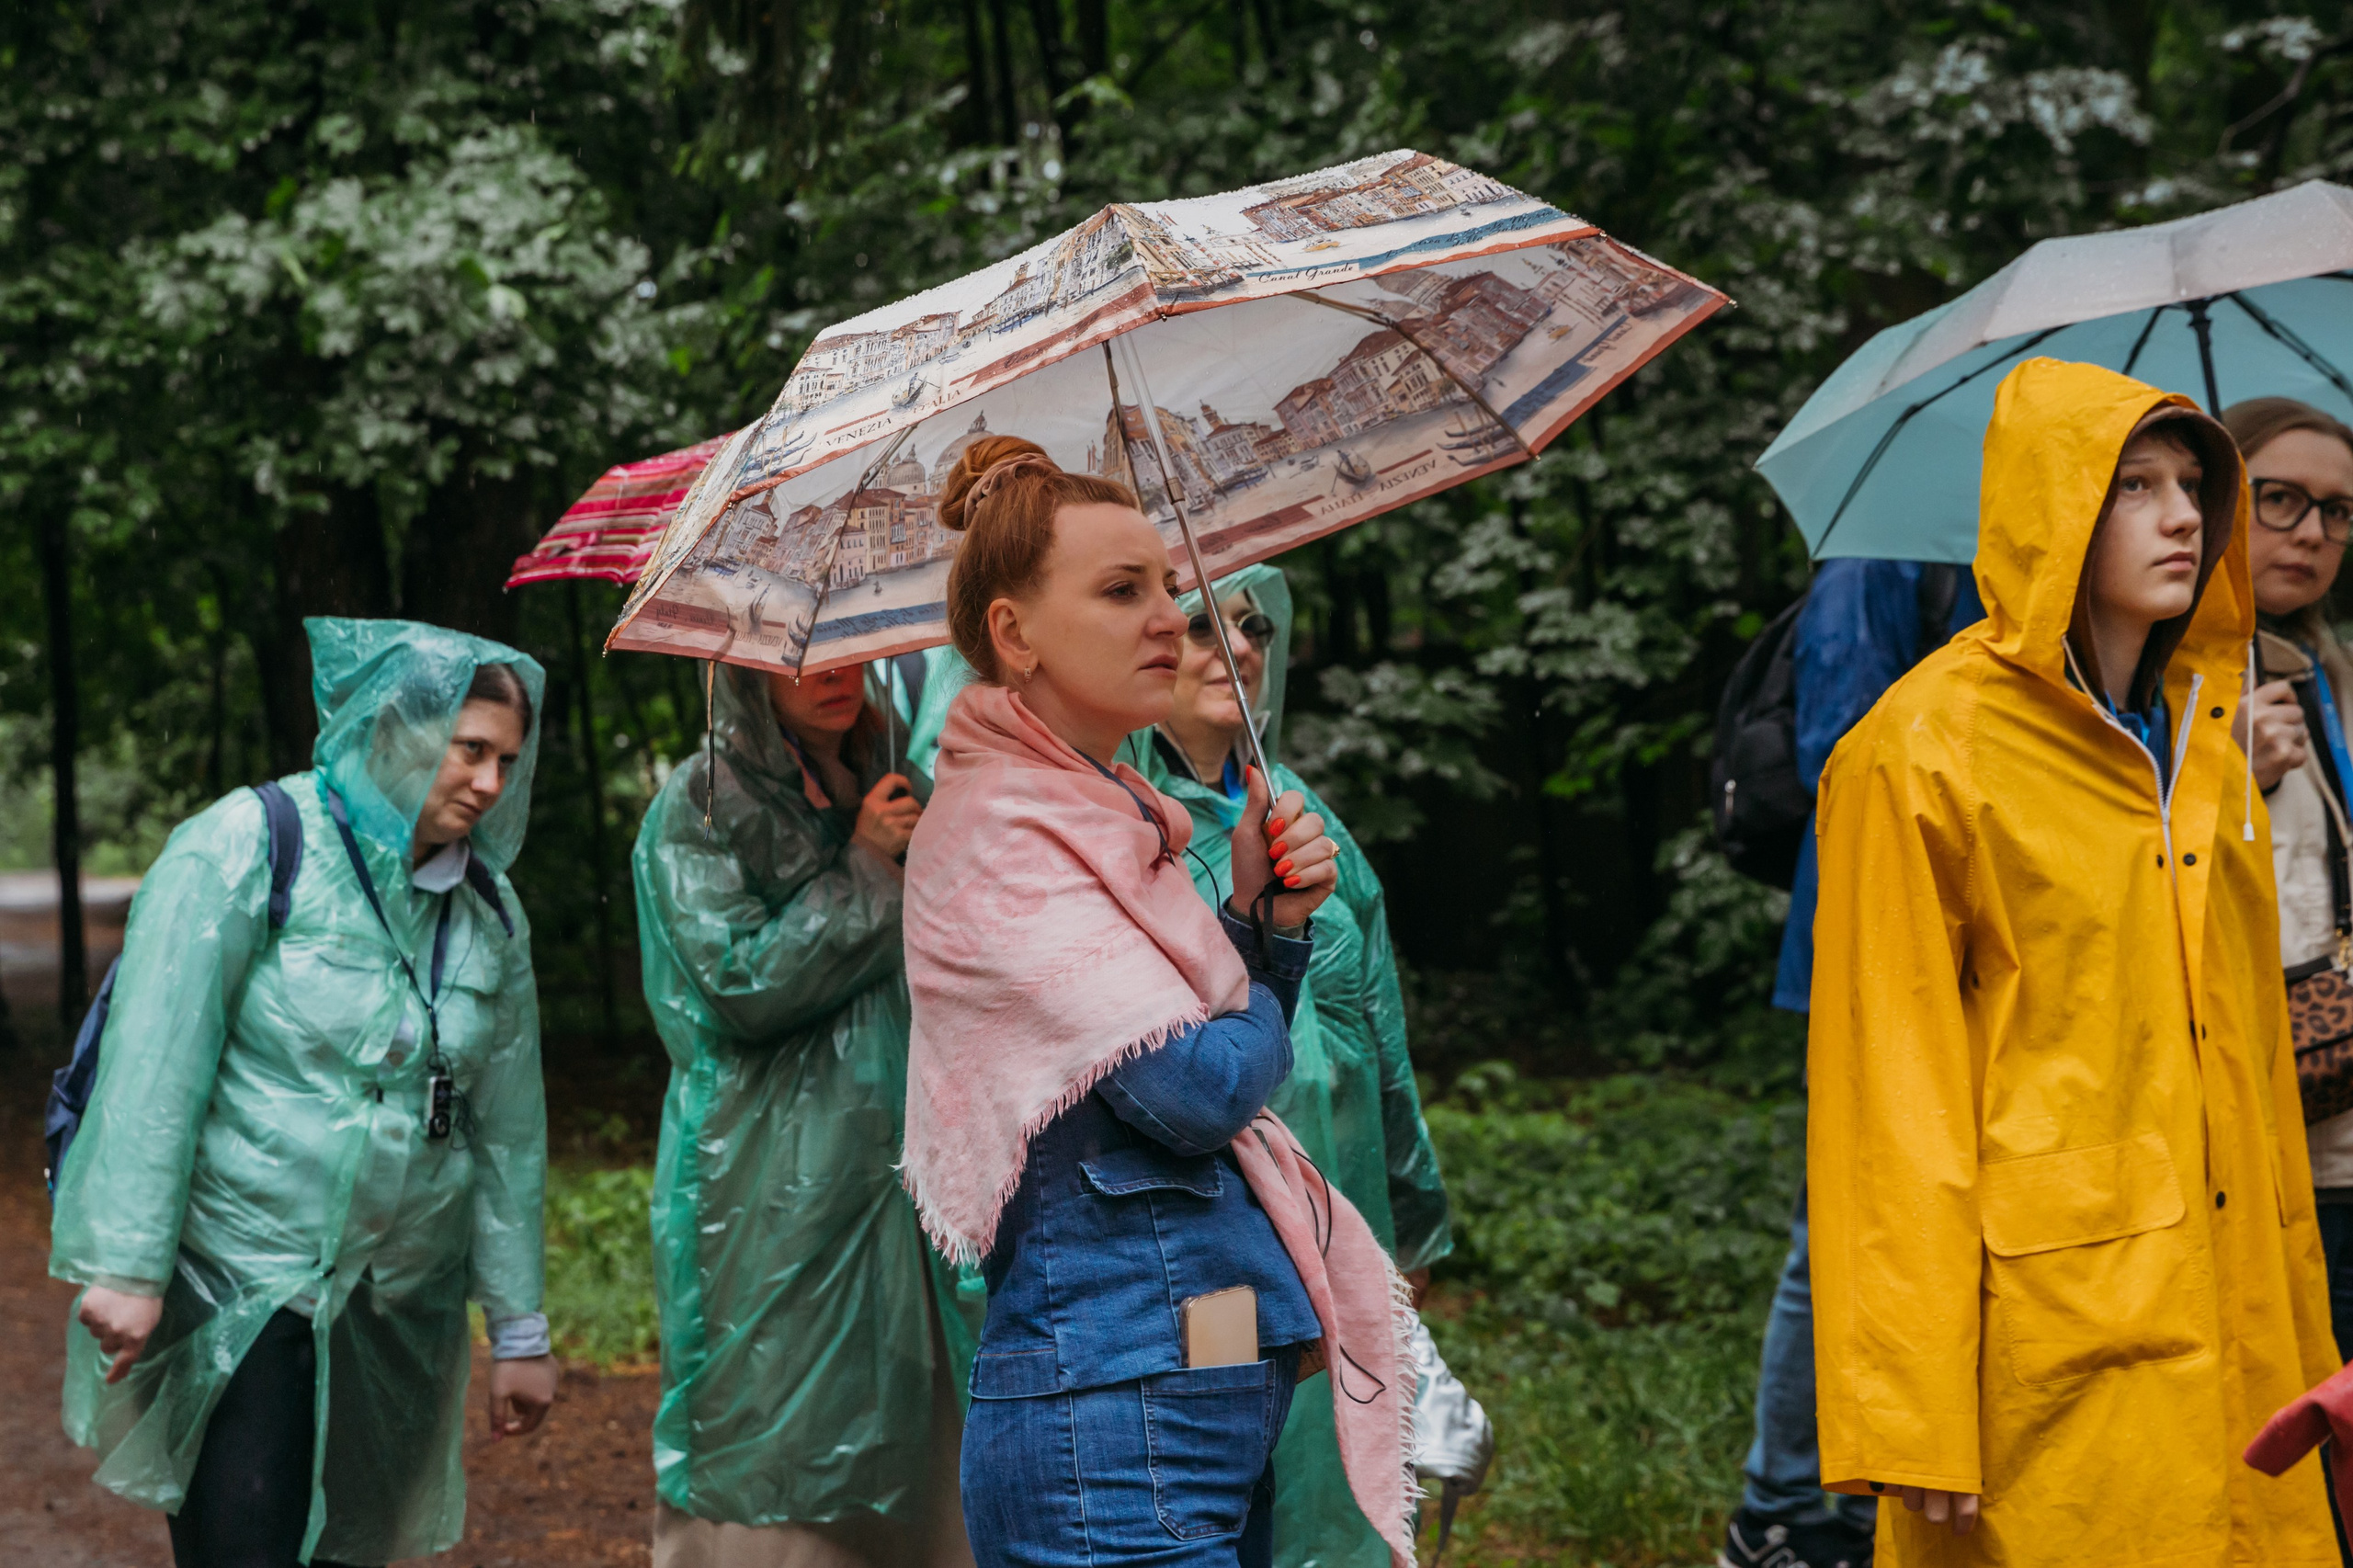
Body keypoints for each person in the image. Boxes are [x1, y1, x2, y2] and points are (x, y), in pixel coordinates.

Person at [1807, 357, 2340, 1565]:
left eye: (2194, 486)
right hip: (2046, 1331)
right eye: (2133, 484)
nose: (2184, 515)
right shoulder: (1920, 752)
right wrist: (1910, 1400)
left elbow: (2247, 1059)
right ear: (2054, 505)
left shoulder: (2208, 739)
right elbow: (1888, 1095)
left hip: (2231, 1300)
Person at [895, 435, 1418, 1568]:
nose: (1171, 621)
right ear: (1013, 633)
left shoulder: (1115, 822)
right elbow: (1192, 1088)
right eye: (1121, 589)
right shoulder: (1000, 838)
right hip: (1107, 1430)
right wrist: (1259, 997)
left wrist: (1261, 924)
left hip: (1189, 1396)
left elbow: (1183, 1058)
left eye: (1169, 587)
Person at [50, 617, 556, 1568]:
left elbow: (508, 1131)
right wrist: (128, 1264)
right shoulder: (248, 844)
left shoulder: (489, 910)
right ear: (393, 729)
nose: (491, 783)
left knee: (351, 1551)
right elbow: (157, 1067)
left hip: (395, 1306)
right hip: (242, 1285)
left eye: (508, 758)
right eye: (470, 749)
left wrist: (519, 1327)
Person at [1128, 563, 1451, 1568]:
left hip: (1342, 1205)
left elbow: (1379, 1034)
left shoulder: (1309, 824)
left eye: (1253, 623)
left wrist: (1412, 1208)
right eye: (1200, 626)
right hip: (1218, 1233)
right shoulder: (1129, 834)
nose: (1238, 646)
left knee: (1342, 1462)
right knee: (1232, 1448)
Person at [633, 655, 981, 1568]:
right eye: (800, 652)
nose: (834, 671)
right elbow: (738, 982)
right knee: (775, 1411)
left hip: (902, 1156)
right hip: (765, 1178)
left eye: (850, 646)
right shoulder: (700, 800)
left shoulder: (888, 777)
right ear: (743, 668)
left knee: (914, 1402)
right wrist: (866, 864)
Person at [1724, 559, 1986, 1568]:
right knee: (1835, 1225)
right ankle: (1780, 1503)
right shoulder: (1882, 562)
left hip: (1976, 956)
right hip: (1870, 951)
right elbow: (1845, 752)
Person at [2222, 398, 2353, 1369]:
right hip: (2263, 1139)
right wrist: (2231, 781)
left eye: (2338, 510)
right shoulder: (2148, 681)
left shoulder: (2323, 669)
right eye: (2279, 499)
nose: (2312, 531)